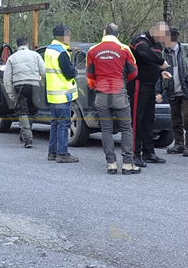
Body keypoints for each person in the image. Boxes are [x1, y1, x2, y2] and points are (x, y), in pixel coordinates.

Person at [86, 23, 140, 174]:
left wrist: (95, 85)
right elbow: (133, 72)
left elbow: (89, 75)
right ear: (118, 34)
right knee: (126, 129)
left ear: (104, 32)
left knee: (106, 130)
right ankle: (128, 163)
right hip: (119, 93)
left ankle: (111, 163)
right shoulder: (124, 49)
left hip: (102, 95)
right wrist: (123, 81)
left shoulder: (93, 50)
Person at [155, 27, 188, 157]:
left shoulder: (187, 49)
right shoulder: (163, 54)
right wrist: (158, 92)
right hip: (172, 91)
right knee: (175, 119)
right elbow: (159, 74)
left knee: (187, 118)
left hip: (187, 90)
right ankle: (179, 144)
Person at [128, 22, 172, 167]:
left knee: (148, 119)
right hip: (138, 83)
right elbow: (144, 54)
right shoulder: (140, 40)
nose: (163, 39)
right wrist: (162, 62)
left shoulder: (157, 44)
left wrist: (161, 71)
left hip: (151, 84)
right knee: (137, 119)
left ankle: (148, 152)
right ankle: (134, 153)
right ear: (155, 31)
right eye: (163, 35)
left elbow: (153, 63)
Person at [43, 24, 79, 163]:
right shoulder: (61, 52)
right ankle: (62, 153)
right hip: (63, 94)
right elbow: (69, 73)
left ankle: (52, 152)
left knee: (55, 123)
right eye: (68, 34)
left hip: (53, 94)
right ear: (62, 35)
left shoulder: (50, 50)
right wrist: (75, 71)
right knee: (64, 123)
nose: (69, 37)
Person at [3, 37, 46, 148]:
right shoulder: (35, 55)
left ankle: (27, 138)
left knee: (23, 111)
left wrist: (10, 93)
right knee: (31, 111)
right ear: (27, 44)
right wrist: (42, 82)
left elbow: (7, 78)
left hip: (19, 86)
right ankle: (26, 133)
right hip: (34, 85)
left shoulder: (12, 58)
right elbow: (43, 71)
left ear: (17, 46)